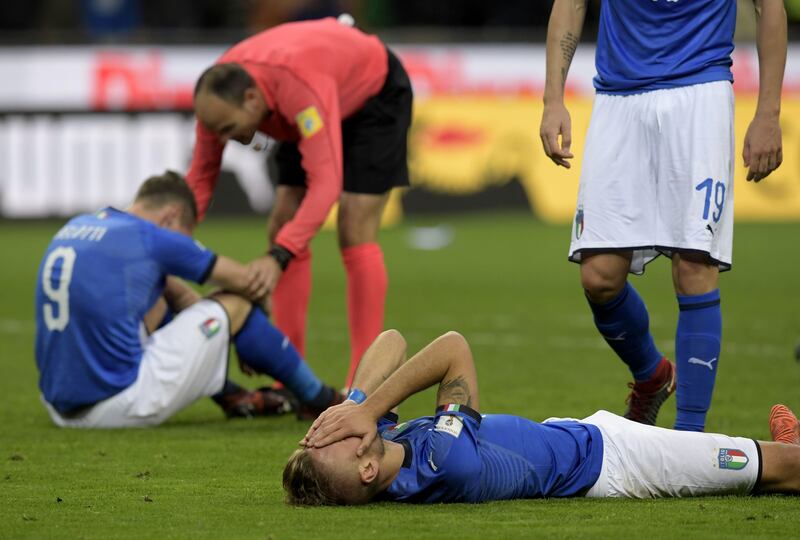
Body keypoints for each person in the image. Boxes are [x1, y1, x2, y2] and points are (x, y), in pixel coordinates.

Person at [538, 1, 787, 430]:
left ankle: (688, 438)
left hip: (700, 92)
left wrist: (768, 113)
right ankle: (652, 377)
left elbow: (770, 8)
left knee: (694, 268)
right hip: (619, 97)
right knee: (599, 277)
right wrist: (552, 99)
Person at [284, 330, 800, 505]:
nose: (334, 431)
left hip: (578, 433)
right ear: (365, 471)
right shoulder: (444, 464)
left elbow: (390, 341)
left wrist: (353, 404)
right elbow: (453, 349)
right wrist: (368, 410)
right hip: (618, 465)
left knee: (768, 463)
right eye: (331, 441)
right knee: (784, 469)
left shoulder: (385, 450)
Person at [186, 16, 413, 388]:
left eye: (230, 131)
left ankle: (365, 380)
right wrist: (171, 243)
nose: (227, 139)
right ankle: (290, 377)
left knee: (354, 227)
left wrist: (279, 257)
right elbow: (200, 177)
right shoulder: (216, 102)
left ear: (251, 98)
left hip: (374, 96)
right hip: (302, 102)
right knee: (282, 222)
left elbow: (327, 184)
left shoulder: (298, 88)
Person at [35, 171, 342, 428]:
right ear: (173, 216)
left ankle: (234, 396)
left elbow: (176, 294)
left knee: (163, 294)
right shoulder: (150, 237)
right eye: (187, 232)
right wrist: (249, 317)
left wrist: (224, 335)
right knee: (238, 304)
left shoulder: (80, 224)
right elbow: (249, 282)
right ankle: (320, 400)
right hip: (116, 402)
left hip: (58, 407)